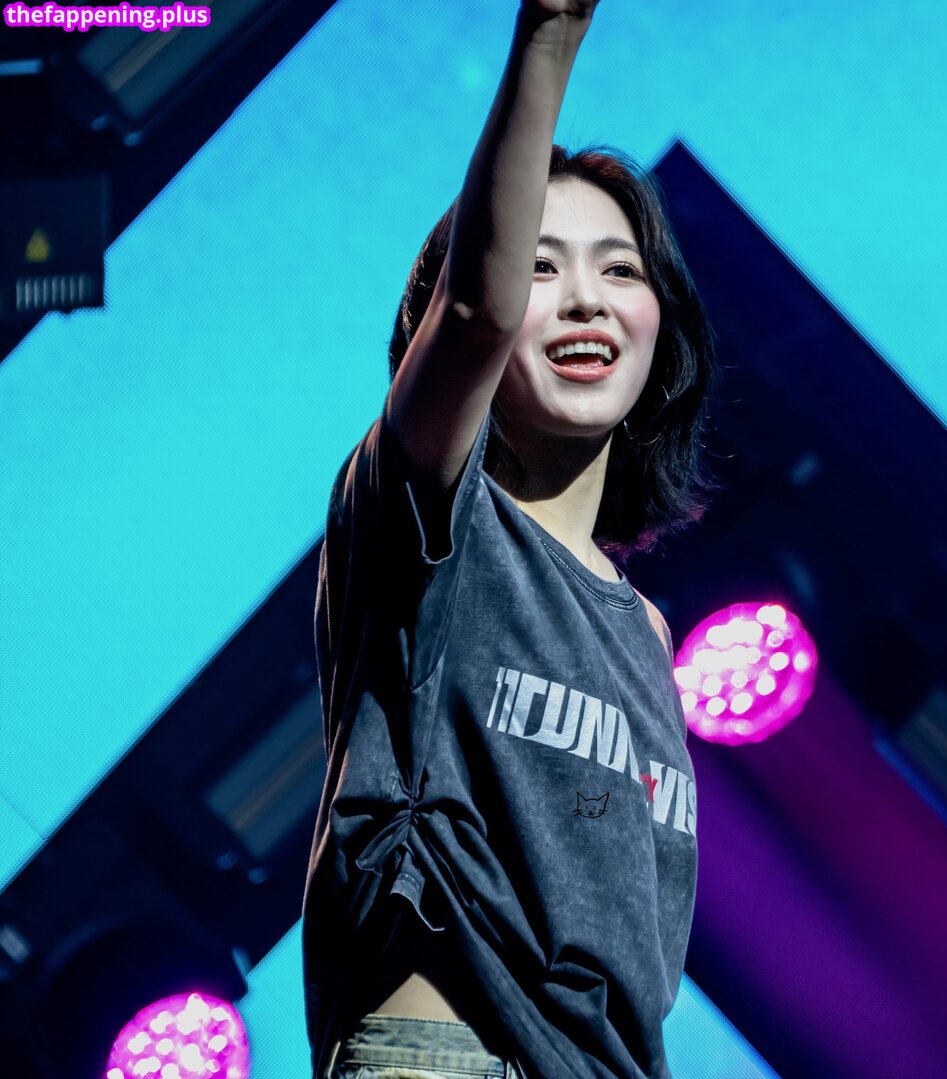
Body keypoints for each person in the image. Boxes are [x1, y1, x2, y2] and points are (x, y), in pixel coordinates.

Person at [302, 1, 720, 1075]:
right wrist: (551, 36)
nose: (586, 299)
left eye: (619, 270)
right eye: (540, 266)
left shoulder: (649, 631)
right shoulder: (426, 513)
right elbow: (473, 321)